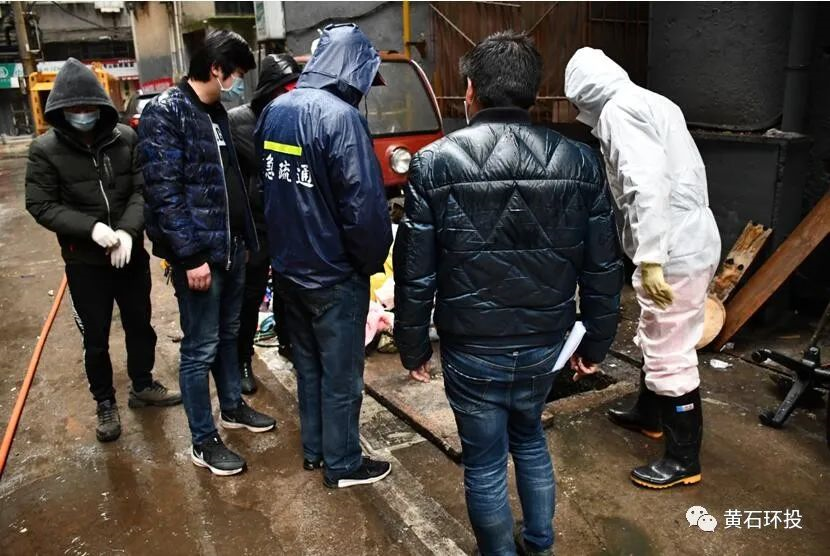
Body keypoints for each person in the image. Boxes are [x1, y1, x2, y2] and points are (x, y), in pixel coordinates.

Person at [394, 32, 623, 556]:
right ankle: (539, 545)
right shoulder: (579, 161)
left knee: (484, 463)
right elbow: (603, 266)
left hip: (472, 348)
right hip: (545, 343)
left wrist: (412, 345)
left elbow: (414, 271)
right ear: (533, 94)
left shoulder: (434, 162)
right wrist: (596, 343)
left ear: (470, 91)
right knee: (531, 439)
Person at [565, 47, 722, 489]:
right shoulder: (652, 101)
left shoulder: (619, 111)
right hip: (690, 234)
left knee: (671, 348)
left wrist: (651, 258)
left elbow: (646, 185)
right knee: (657, 329)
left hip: (673, 245)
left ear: (583, 91)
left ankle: (682, 460)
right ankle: (649, 415)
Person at [256, 24, 393, 488]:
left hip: (289, 272)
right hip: (334, 276)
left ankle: (315, 451)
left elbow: (268, 192)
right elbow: (365, 210)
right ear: (352, 72)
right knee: (342, 377)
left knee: (309, 368)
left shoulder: (276, 110)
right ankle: (343, 463)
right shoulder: (342, 119)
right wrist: (369, 263)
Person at [138, 30, 276, 477]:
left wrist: (247, 239)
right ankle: (203, 439)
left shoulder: (216, 113)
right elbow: (164, 193)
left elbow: (231, 181)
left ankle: (232, 406)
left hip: (232, 248)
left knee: (229, 334)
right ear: (216, 69)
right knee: (200, 348)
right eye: (235, 74)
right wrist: (190, 256)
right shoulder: (167, 111)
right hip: (200, 257)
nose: (238, 83)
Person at [25, 58, 181, 443]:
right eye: (75, 108)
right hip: (85, 263)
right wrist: (92, 229)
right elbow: (41, 203)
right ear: (61, 111)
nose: (83, 114)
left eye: (89, 107)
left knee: (140, 324)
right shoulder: (45, 150)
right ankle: (105, 402)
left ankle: (142, 385)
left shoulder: (124, 139)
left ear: (101, 106)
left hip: (129, 257)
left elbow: (142, 189)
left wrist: (128, 231)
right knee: (95, 338)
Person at [228, 53, 300, 394]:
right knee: (251, 296)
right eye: (285, 89)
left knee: (289, 291)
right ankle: (242, 359)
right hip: (254, 225)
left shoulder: (297, 118)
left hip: (288, 222)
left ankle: (289, 342)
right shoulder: (238, 121)